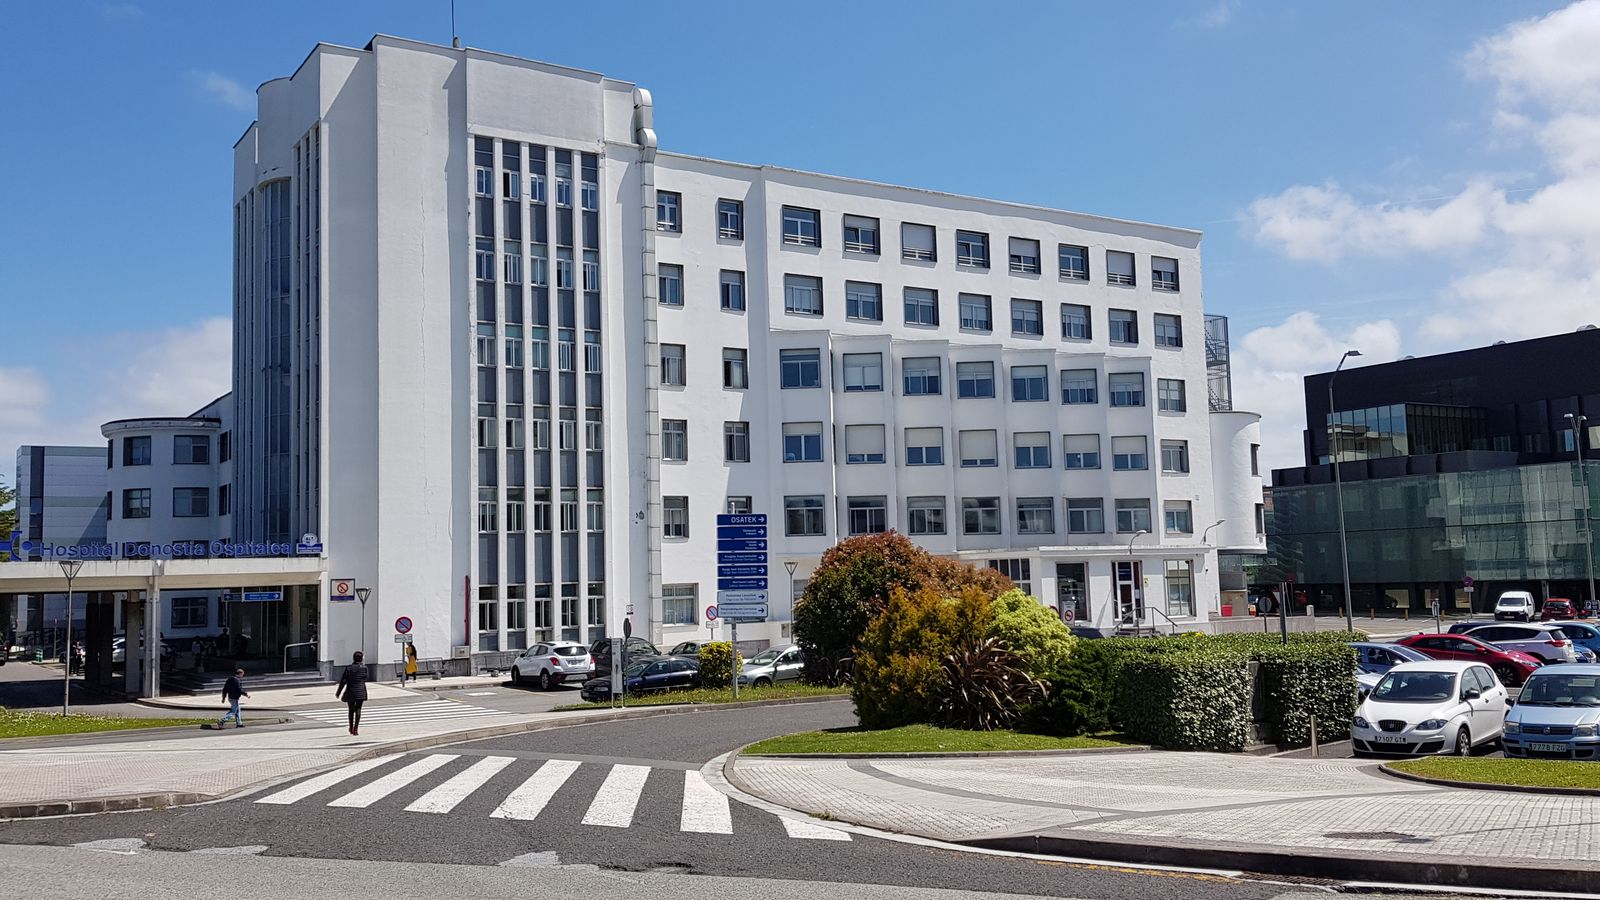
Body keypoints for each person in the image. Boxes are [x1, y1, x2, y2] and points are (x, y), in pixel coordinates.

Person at [336, 651, 369, 736]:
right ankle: (356, 728)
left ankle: (350, 727)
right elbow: (365, 678)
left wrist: (338, 692)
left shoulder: (349, 668)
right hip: (361, 691)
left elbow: (343, 681)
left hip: (350, 691)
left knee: (351, 710)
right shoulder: (364, 668)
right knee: (358, 709)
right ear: (361, 659)